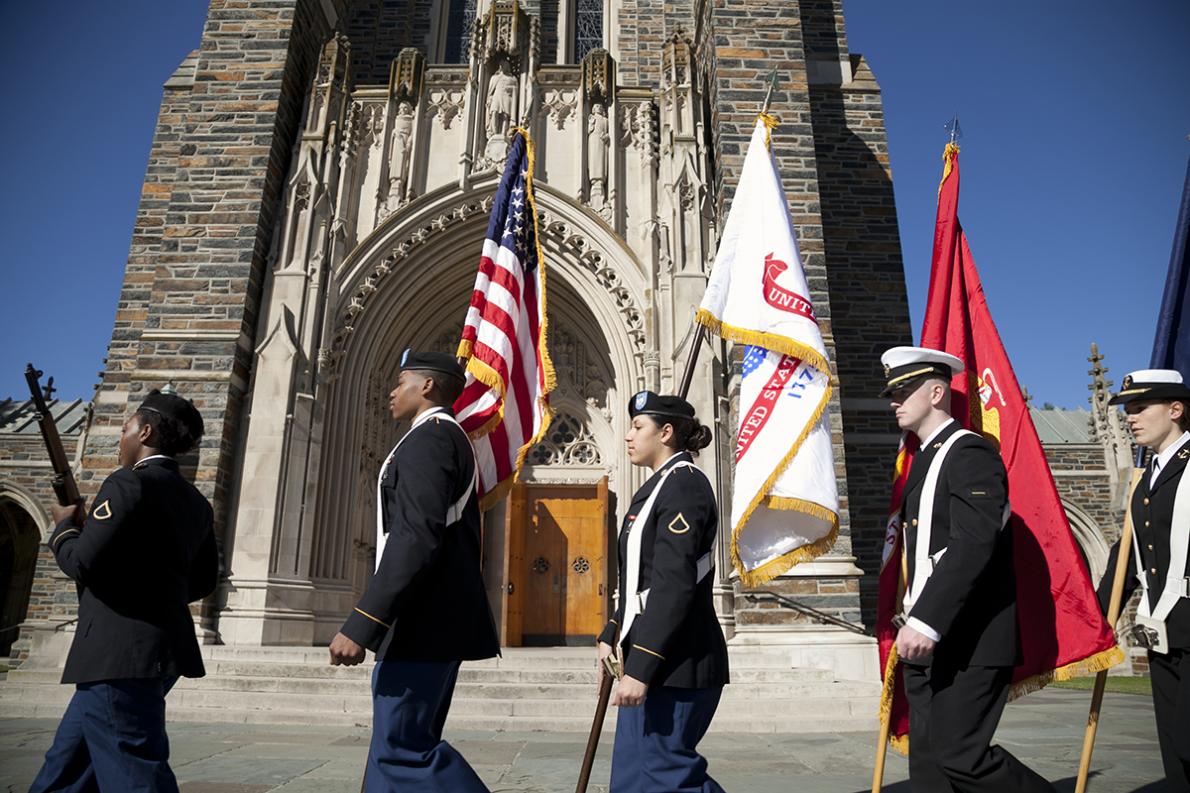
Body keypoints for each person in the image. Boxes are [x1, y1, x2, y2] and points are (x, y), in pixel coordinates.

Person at [881, 346, 1055, 793]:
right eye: (892, 393)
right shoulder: (923, 458)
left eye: (903, 391)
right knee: (930, 769)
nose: (894, 401)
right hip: (927, 635)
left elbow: (974, 541)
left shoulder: (970, 453)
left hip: (967, 637)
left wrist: (926, 619)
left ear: (937, 391)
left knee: (962, 756)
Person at [328, 349, 499, 792]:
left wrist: (364, 620)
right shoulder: (433, 437)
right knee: (392, 754)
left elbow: (415, 538)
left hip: (423, 621)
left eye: (401, 381)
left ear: (427, 386)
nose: (391, 390)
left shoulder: (432, 439)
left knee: (403, 750)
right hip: (424, 620)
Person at [31, 388, 217, 793]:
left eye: (127, 426)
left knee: (135, 775)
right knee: (64, 772)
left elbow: (79, 562)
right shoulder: (197, 503)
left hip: (118, 657)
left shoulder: (126, 484)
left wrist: (64, 526)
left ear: (145, 431)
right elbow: (202, 581)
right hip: (151, 653)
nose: (121, 435)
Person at [597, 390, 729, 793]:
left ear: (666, 432)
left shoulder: (685, 486)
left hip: (676, 660)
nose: (628, 436)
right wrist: (613, 632)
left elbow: (673, 584)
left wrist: (642, 667)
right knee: (632, 780)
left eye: (638, 426)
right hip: (648, 654)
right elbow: (642, 578)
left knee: (665, 776)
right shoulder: (658, 487)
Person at [1097, 368, 1190, 792]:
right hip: (1163, 633)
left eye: (1140, 408)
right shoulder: (1145, 479)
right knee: (1174, 746)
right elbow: (1127, 560)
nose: (1130, 418)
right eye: (1127, 410)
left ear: (1175, 409)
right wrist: (1099, 615)